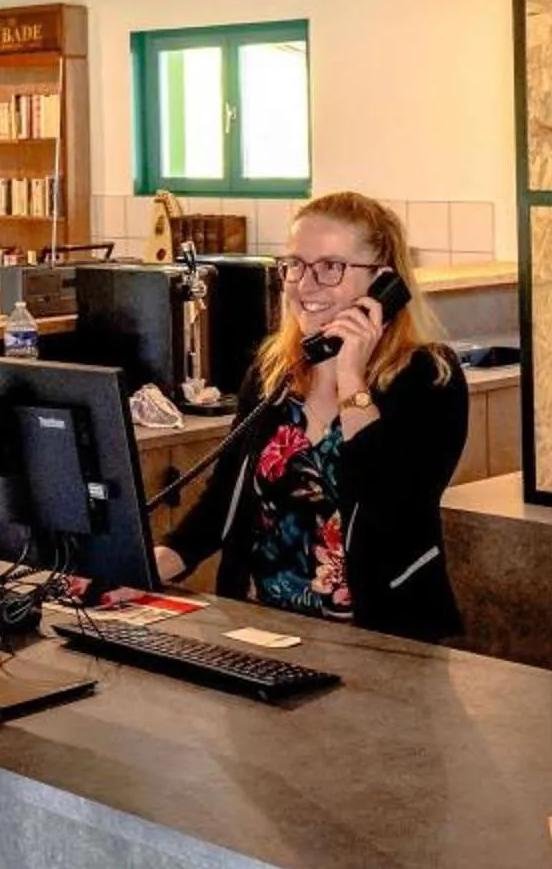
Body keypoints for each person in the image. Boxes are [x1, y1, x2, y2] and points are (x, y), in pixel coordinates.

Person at [154, 191, 466, 641]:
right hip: (261, 631)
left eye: (330, 267)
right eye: (295, 264)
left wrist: (351, 378)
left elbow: (392, 508)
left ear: (384, 284)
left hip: (383, 639)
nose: (305, 284)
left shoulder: (428, 377)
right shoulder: (274, 373)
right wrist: (141, 568)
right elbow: (223, 503)